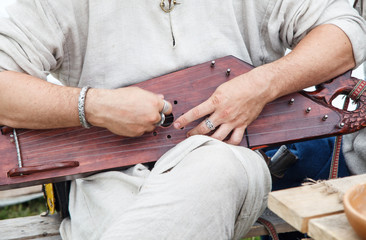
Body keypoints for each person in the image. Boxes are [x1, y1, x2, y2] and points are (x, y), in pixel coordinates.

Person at [0, 0, 365, 239]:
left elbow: (345, 33)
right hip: (107, 171)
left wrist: (260, 85)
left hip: (232, 155)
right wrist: (94, 105)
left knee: (213, 168)